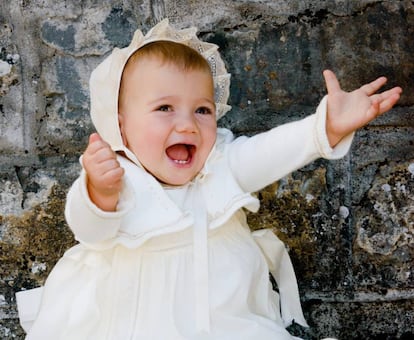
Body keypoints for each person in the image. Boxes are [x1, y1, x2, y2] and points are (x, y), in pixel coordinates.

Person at [16, 19, 402, 339]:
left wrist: (325, 128)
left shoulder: (219, 163)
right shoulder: (117, 174)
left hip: (222, 313)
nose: (187, 123)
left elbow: (269, 153)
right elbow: (89, 231)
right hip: (131, 313)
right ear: (121, 124)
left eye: (202, 109)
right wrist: (98, 192)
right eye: (164, 107)